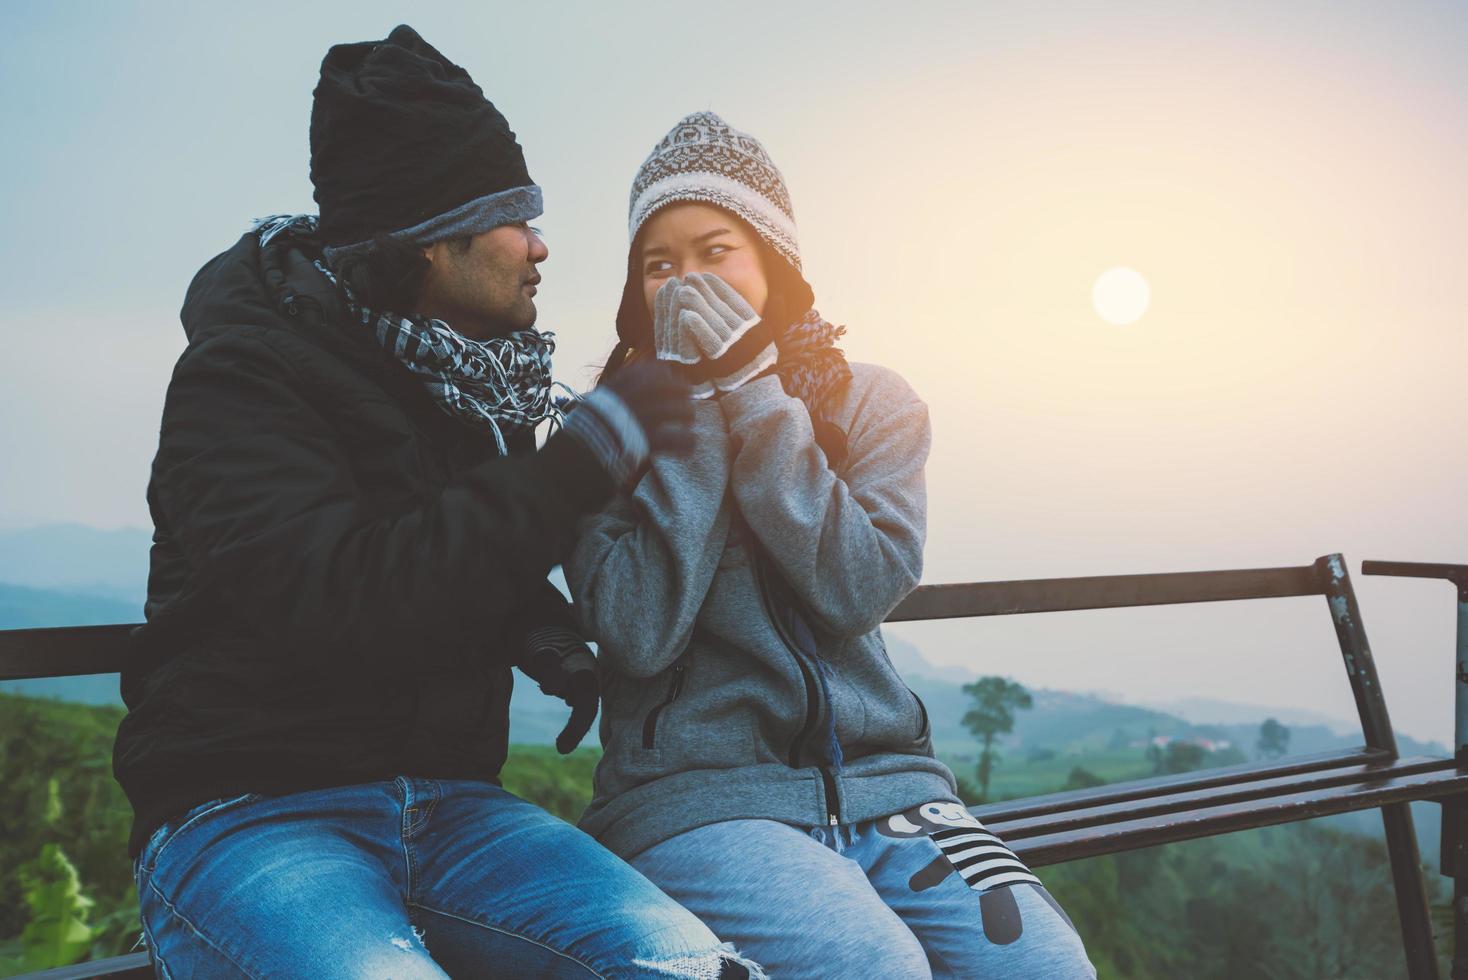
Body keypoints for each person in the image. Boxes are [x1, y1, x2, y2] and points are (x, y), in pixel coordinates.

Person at [111, 29, 764, 979]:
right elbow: (336, 594)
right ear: (432, 235)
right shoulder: (241, 376)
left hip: (453, 805)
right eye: (514, 218)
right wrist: (583, 461)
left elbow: (432, 539)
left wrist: (536, 629)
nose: (541, 246)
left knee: (692, 968)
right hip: (252, 813)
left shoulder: (465, 379)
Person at [566, 111, 1096, 979]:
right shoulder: (600, 439)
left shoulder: (870, 405)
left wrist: (758, 399)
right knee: (870, 966)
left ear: (775, 264)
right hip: (696, 800)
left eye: (715, 251)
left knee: (1046, 969)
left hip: (892, 788)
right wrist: (694, 412)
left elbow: (860, 587)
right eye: (659, 265)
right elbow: (637, 630)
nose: (687, 281)